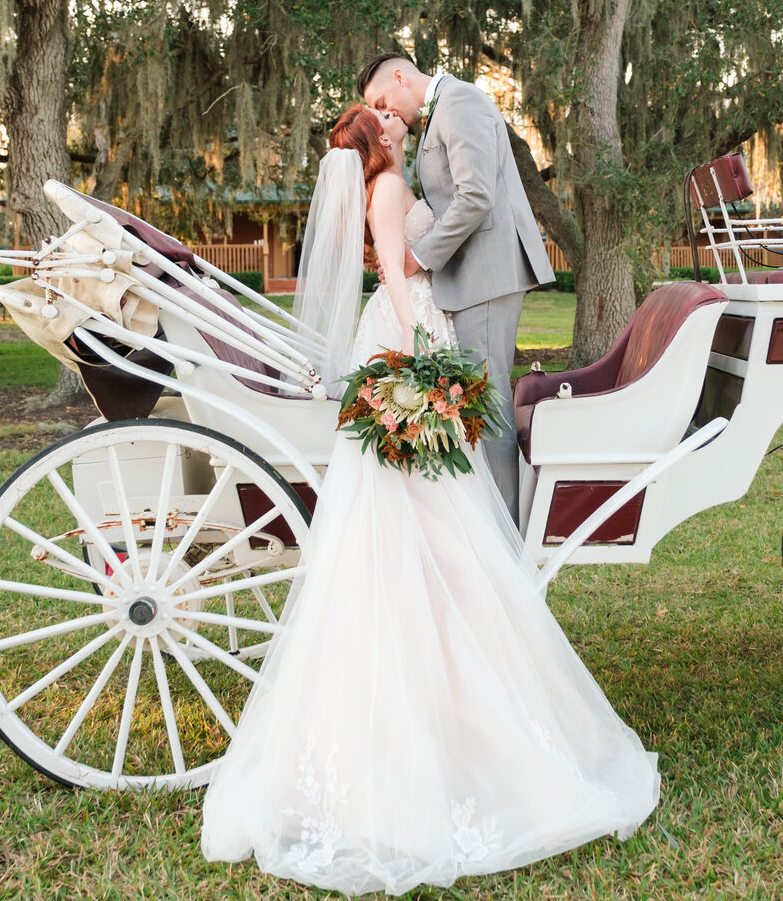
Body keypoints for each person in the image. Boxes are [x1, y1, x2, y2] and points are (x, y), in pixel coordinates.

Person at [200, 103, 659, 895]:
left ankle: (453, 673)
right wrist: (420, 364)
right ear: (371, 141)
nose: (395, 118)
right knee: (423, 518)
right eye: (382, 116)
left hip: (414, 336)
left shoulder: (393, 179)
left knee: (435, 520)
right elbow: (394, 270)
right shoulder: (383, 192)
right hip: (407, 341)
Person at [359, 53, 554, 521]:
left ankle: (505, 536)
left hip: (485, 274)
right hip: (467, 277)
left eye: (383, 100)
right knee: (479, 404)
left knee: (488, 408)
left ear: (401, 77)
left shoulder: (460, 101)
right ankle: (491, 526)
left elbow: (476, 195)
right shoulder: (436, 116)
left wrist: (418, 256)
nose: (385, 113)